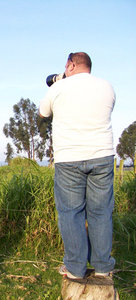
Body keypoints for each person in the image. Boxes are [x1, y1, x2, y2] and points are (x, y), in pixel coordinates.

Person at [39, 52, 116, 279]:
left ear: (71, 65)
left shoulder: (58, 88)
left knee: (71, 213)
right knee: (101, 213)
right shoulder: (107, 86)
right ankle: (103, 267)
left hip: (69, 158)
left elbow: (43, 112)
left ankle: (74, 267)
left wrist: (59, 82)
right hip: (102, 155)